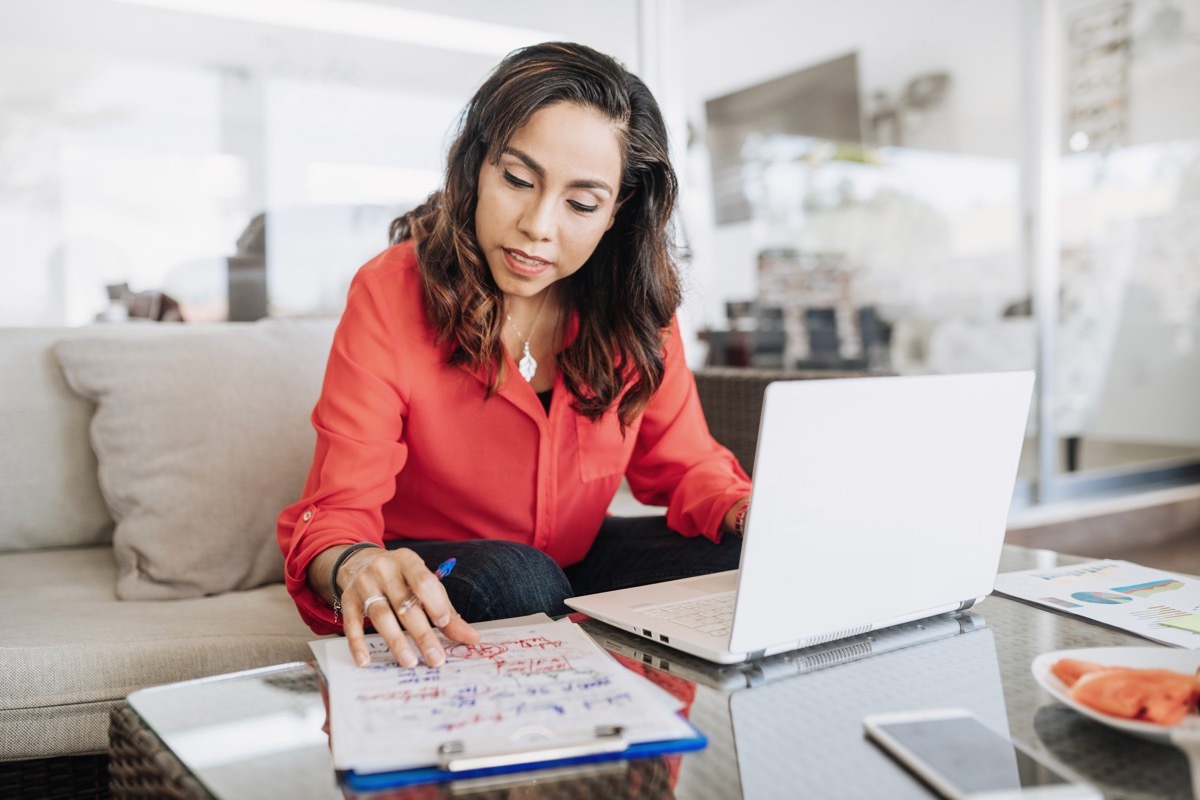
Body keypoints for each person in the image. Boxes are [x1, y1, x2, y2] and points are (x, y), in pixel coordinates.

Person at [277, 42, 751, 670]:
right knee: (520, 582)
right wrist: (359, 565)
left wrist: (751, 513)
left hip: (576, 563)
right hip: (446, 564)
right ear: (476, 165)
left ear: (618, 211)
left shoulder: (637, 310)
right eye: (518, 180)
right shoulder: (390, 292)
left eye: (581, 203)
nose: (537, 224)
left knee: (746, 559)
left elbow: (686, 465)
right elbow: (336, 514)